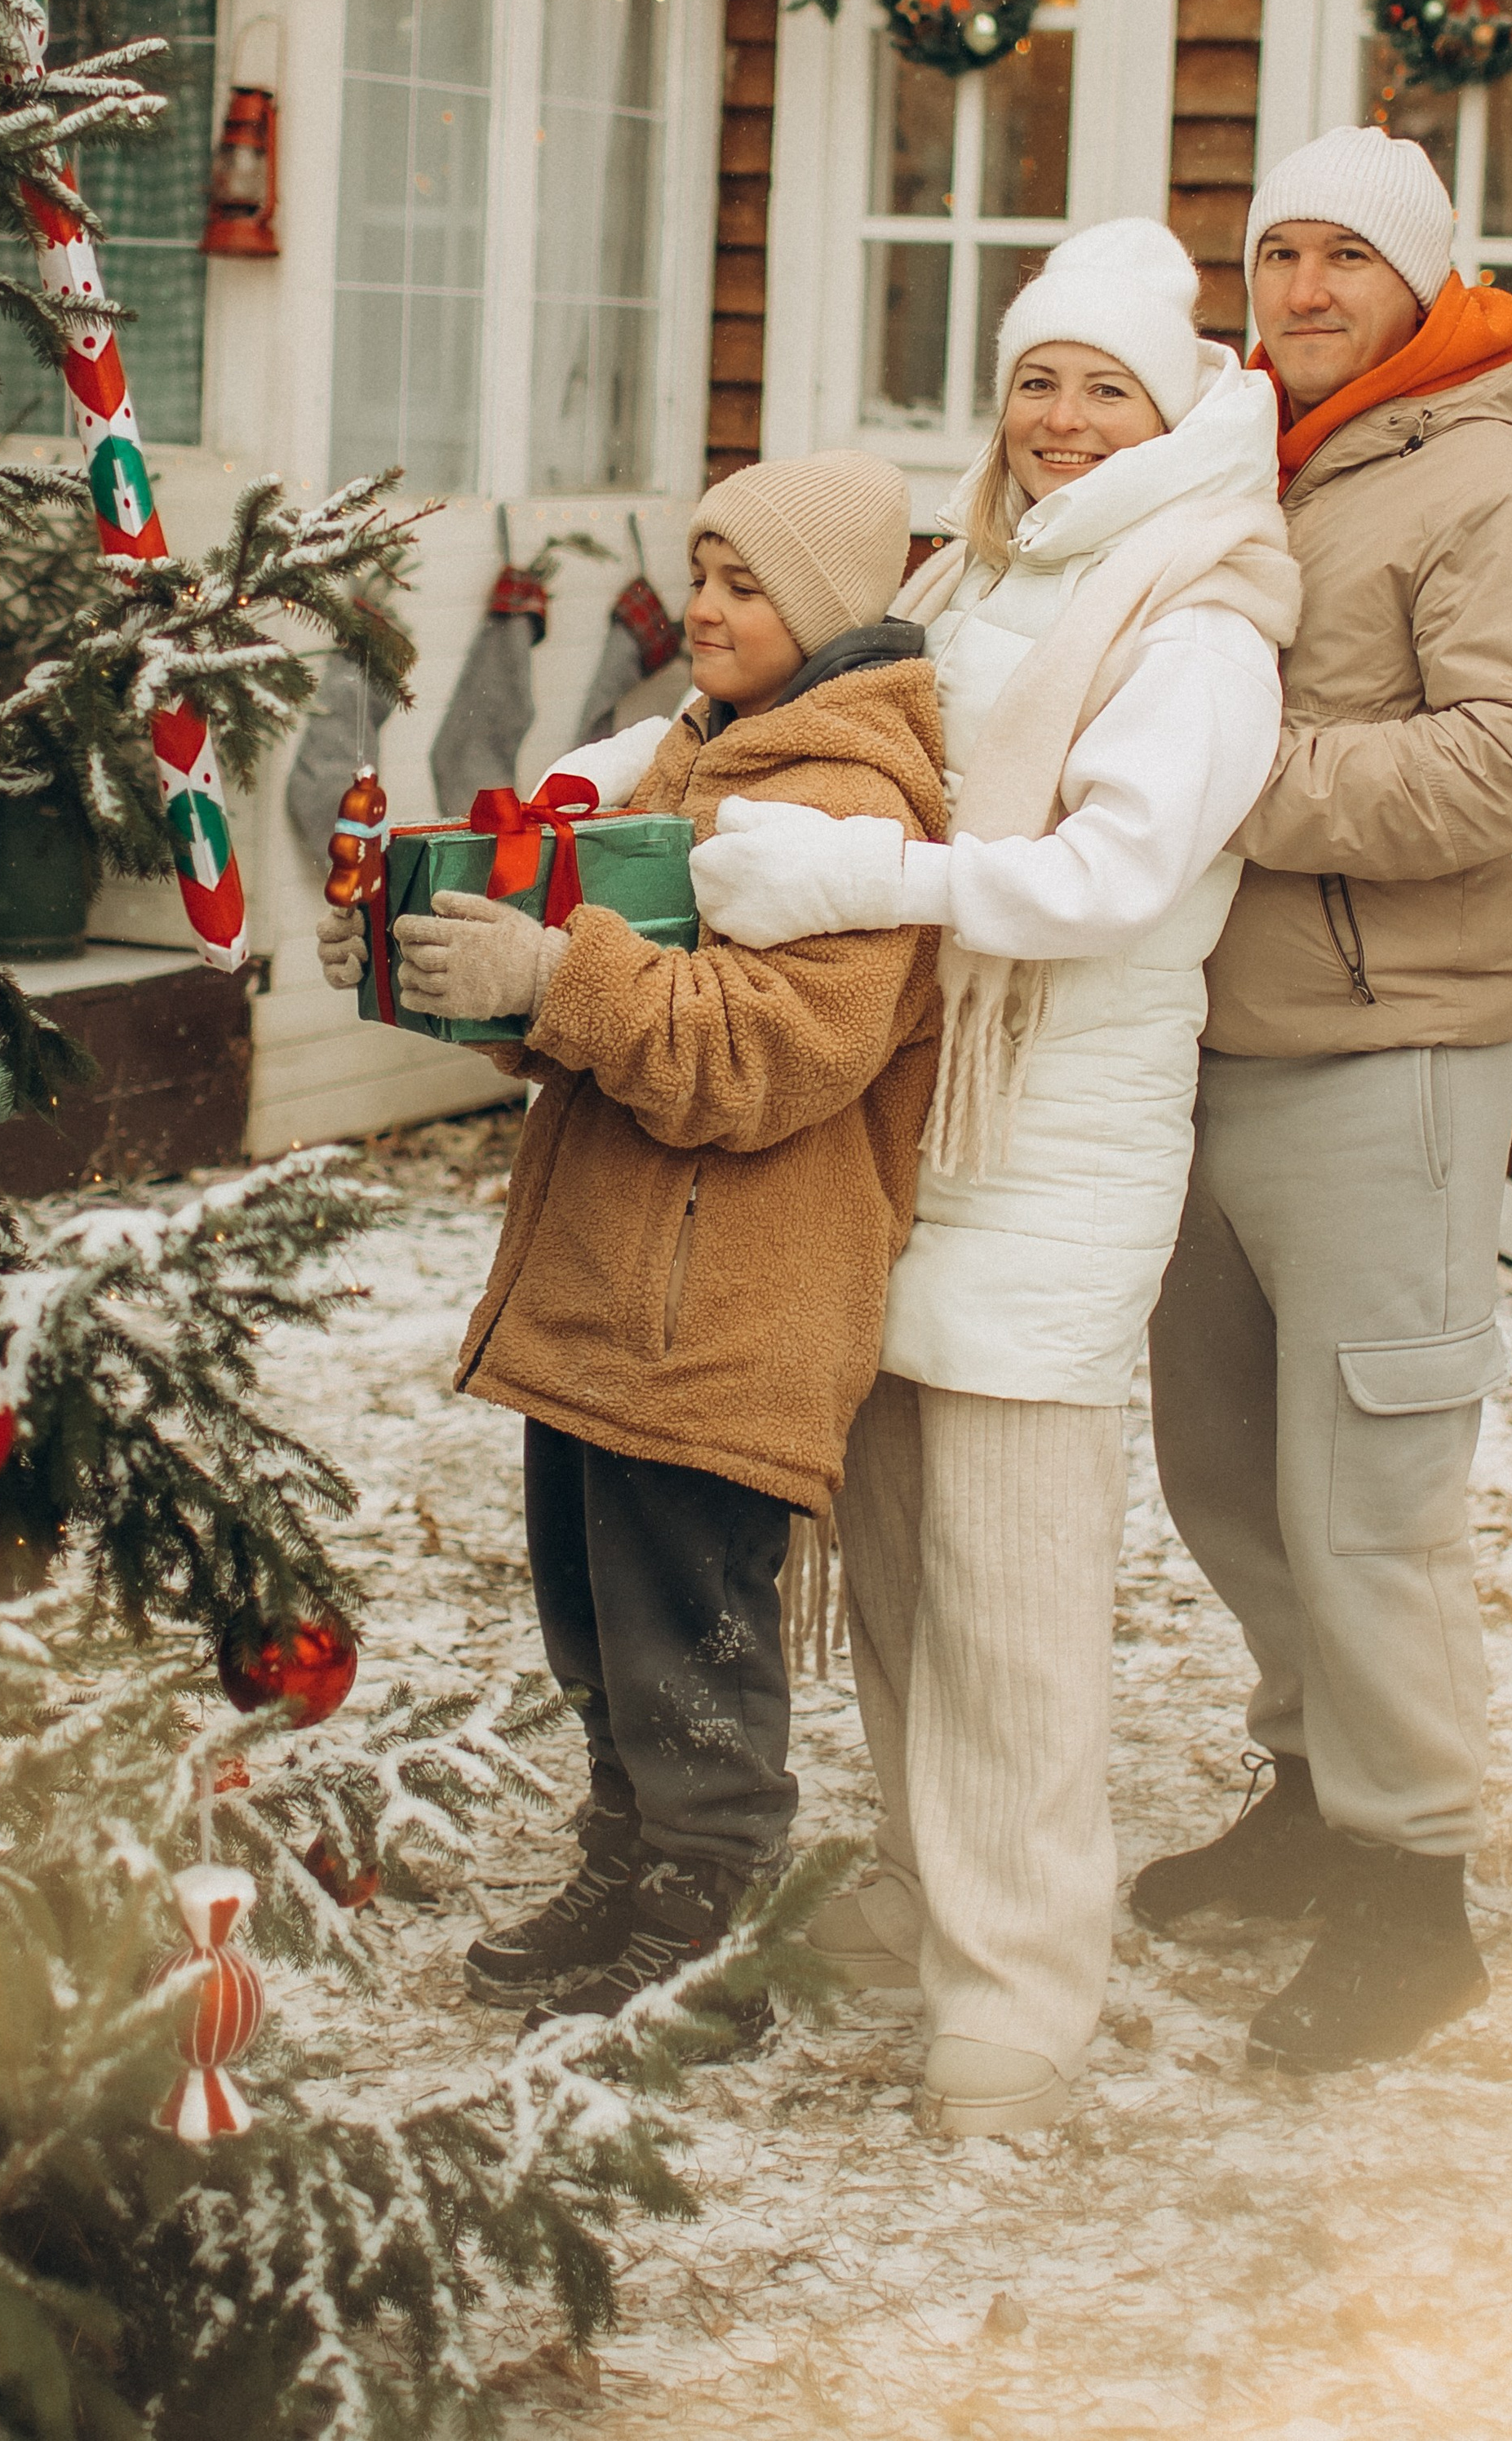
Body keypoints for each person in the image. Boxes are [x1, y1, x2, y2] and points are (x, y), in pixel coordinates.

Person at [689, 220, 1299, 2135]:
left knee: (1014, 1605)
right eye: (1036, 377)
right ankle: (919, 1891)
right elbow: (831, 736)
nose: (1057, 416)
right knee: (885, 1567)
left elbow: (1108, 886)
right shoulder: (969, 581)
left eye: (1102, 384)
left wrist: (855, 888)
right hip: (891, 1131)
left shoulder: (1193, 623)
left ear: (1174, 403)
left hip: (1050, 1146)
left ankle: (1021, 1995)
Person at [317, 453, 946, 2045]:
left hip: (726, 1307)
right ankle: (625, 1856)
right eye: (702, 574)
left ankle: (710, 1913)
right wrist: (442, 965)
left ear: (818, 608)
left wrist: (549, 973)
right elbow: (604, 1013)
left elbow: (762, 1058)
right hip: (618, 1284)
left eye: (743, 585)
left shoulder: (853, 809)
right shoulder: (701, 753)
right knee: (594, 1615)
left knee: (689, 1632)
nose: (706, 609)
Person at [1133, 123, 1512, 2075]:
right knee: (1231, 1476)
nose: (1304, 290)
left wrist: (1233, 784)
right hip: (1206, 1060)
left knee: (1369, 1497)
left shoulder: (1497, 489)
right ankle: (1310, 1793)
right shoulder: (1256, 463)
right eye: (1277, 256)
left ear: (1421, 280)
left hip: (1385, 1059)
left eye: (1344, 256)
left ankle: (1413, 1891)